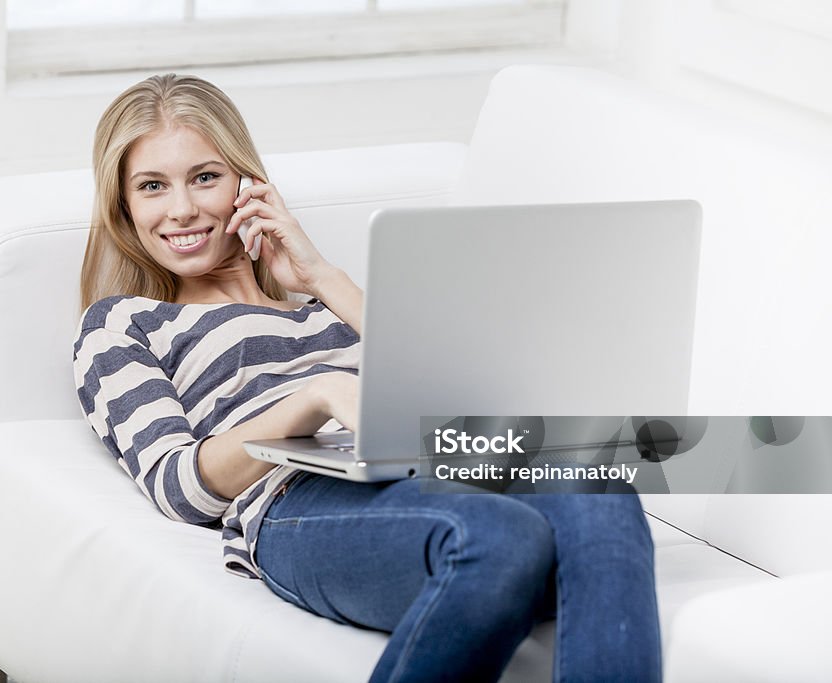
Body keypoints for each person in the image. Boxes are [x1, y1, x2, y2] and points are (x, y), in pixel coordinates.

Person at [72, 73, 662, 683]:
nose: (183, 208)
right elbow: (178, 487)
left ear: (247, 184)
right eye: (152, 187)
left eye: (204, 177)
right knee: (497, 536)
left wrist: (323, 278)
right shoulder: (126, 322)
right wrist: (318, 397)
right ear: (124, 208)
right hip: (295, 499)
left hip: (438, 464)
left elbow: (473, 394)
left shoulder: (326, 303)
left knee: (602, 487)